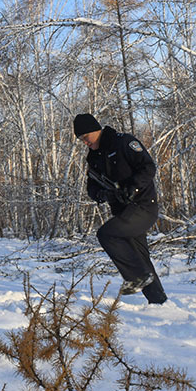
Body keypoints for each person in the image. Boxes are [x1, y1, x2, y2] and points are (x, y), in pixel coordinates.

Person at [74, 113, 167, 304]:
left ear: (95, 130)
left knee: (107, 234)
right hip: (123, 212)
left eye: (85, 137)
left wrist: (133, 188)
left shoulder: (124, 142)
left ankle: (135, 278)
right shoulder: (93, 159)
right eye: (81, 140)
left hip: (142, 206)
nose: (85, 143)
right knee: (139, 258)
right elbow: (91, 187)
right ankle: (158, 302)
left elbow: (148, 167)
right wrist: (103, 195)